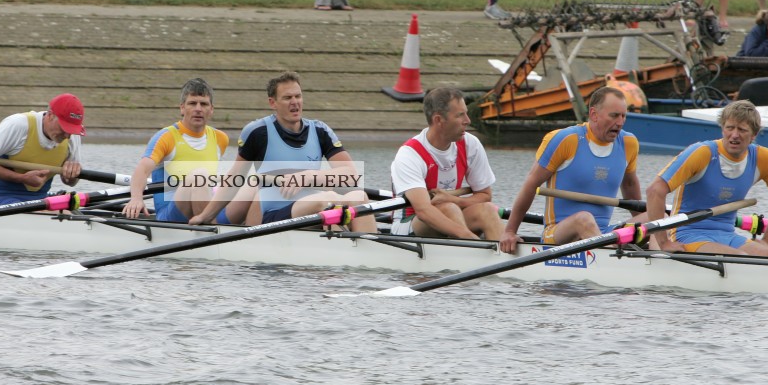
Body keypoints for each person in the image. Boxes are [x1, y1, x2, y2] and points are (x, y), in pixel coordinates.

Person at [189, 71, 374, 233]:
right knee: (329, 200)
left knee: (360, 197)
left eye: (298, 96)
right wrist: (205, 216)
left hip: (314, 206)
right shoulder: (257, 132)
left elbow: (350, 175)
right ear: (273, 103)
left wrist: (308, 177)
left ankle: (370, 253)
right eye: (287, 98)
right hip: (271, 213)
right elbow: (234, 179)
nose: (295, 103)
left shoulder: (320, 130)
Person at [499, 86, 641, 253]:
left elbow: (630, 186)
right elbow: (531, 184)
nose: (620, 122)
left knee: (656, 218)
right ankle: (611, 258)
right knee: (584, 219)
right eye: (614, 115)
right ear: (594, 114)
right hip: (558, 234)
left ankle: (659, 255)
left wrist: (641, 224)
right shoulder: (566, 140)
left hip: (605, 233)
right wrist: (509, 231)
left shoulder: (628, 143)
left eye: (624, 116)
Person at [646, 100, 768, 257]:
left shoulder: (763, 158)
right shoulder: (702, 153)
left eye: (742, 130)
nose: (734, 135)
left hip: (727, 235)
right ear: (723, 129)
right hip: (687, 234)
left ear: (754, 135)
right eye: (730, 128)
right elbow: (654, 191)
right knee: (739, 258)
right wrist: (663, 243)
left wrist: (767, 241)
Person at [389, 86, 504, 240]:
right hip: (408, 225)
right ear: (439, 120)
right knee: (448, 208)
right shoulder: (410, 154)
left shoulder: (470, 144)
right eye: (460, 115)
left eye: (466, 114)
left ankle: (504, 255)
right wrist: (469, 236)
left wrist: (454, 199)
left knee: (488, 210)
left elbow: (484, 195)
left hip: (451, 216)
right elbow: (423, 210)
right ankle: (474, 251)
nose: (468, 121)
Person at [122, 78, 238, 223]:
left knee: (253, 184)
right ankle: (215, 235)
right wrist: (136, 199)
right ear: (182, 108)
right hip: (171, 215)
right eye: (192, 103)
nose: (198, 109)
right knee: (199, 176)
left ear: (211, 109)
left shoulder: (221, 138)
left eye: (203, 104)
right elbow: (142, 171)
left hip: (206, 208)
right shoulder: (166, 137)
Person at [0, 94, 84, 206]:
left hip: (41, 202)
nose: (67, 135)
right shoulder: (19, 124)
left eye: (72, 130)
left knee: (67, 214)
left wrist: (72, 174)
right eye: (64, 128)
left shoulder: (72, 136)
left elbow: (70, 183)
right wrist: (22, 178)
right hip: (3, 199)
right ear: (50, 115)